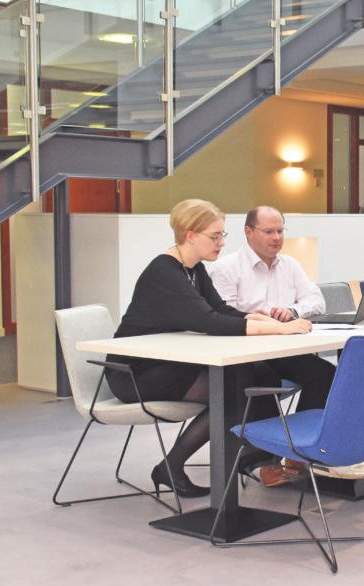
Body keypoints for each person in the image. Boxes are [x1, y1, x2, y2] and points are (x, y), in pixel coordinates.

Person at [105, 199, 312, 498]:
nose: (221, 243)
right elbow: (208, 321)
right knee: (231, 388)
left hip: (169, 363)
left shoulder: (194, 269)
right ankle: (174, 466)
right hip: (135, 373)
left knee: (260, 372)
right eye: (215, 236)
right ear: (190, 235)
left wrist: (259, 317)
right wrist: (280, 329)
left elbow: (221, 309)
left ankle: (258, 453)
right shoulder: (165, 272)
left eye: (222, 236)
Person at [208, 205, 336, 486]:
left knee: (324, 373)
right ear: (248, 232)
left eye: (280, 230)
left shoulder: (289, 264)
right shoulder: (226, 268)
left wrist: (292, 311)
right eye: (268, 231)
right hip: (244, 353)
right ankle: (262, 460)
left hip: (283, 348)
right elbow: (222, 316)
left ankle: (297, 453)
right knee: (264, 377)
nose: (276, 237)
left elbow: (316, 300)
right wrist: (263, 321)